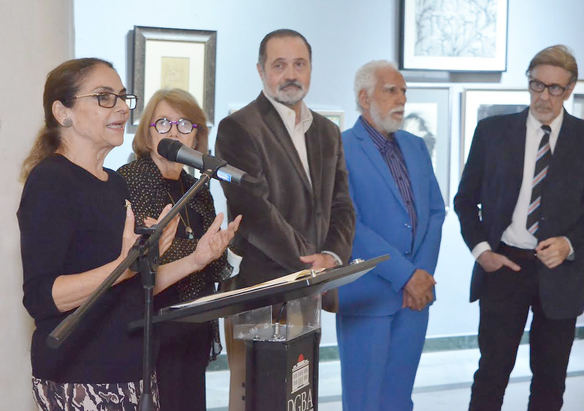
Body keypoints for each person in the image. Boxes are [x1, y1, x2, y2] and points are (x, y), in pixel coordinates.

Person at [18, 58, 240, 410]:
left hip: (133, 369)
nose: (121, 107)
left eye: (122, 97)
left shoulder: (114, 183)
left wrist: (197, 259)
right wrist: (122, 265)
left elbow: (133, 286)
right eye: (105, 97)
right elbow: (43, 298)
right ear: (63, 112)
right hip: (80, 376)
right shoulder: (50, 182)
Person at [454, 45, 584, 411]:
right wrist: (483, 253)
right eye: (536, 85)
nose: (544, 96)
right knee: (491, 374)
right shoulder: (492, 132)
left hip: (560, 271)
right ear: (528, 83)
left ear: (570, 88)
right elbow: (464, 200)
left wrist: (570, 243)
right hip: (503, 267)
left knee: (550, 381)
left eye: (554, 88)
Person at [215, 28, 355, 410]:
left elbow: (343, 204)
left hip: (310, 289)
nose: (290, 74)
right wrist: (311, 266)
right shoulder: (238, 128)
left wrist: (332, 258)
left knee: (300, 396)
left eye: (299, 64)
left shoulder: (327, 132)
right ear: (261, 71)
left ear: (310, 69)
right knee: (256, 398)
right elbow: (255, 212)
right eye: (279, 65)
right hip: (263, 290)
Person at [117, 88, 240, 410]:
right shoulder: (130, 180)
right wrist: (198, 253)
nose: (174, 131)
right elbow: (142, 259)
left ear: (197, 138)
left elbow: (213, 265)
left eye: (185, 124)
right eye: (163, 123)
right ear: (147, 132)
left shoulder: (198, 188)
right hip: (152, 328)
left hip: (193, 324)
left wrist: (219, 250)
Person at [336, 60, 445, 411]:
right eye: (391, 90)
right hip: (367, 297)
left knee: (399, 401)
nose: (401, 98)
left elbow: (435, 212)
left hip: (414, 300)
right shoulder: (340, 149)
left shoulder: (415, 146)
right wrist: (406, 275)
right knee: (365, 402)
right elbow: (349, 224)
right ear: (364, 97)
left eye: (403, 91)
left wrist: (422, 275)